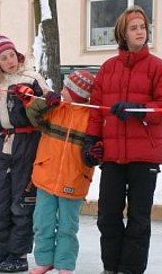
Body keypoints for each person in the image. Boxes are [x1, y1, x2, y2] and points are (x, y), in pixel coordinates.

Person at [82, 5, 162, 274]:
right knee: (108, 216)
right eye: (134, 28)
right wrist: (91, 140)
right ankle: (110, 267)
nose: (140, 32)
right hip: (113, 155)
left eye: (143, 27)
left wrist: (138, 110)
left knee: (138, 219)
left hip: (144, 155)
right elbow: (96, 109)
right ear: (122, 34)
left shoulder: (159, 68)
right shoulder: (108, 69)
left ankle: (131, 269)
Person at [0, 32, 50, 272]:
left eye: (11, 55)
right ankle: (4, 251)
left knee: (21, 202)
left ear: (18, 55)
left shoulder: (32, 78)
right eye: (3, 58)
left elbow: (51, 108)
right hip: (4, 145)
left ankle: (18, 255)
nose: (9, 61)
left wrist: (34, 101)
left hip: (28, 143)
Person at [24, 70, 101, 274]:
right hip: (45, 176)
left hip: (74, 180)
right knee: (42, 222)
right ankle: (44, 260)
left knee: (67, 227)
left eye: (67, 88)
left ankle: (65, 265)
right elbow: (32, 114)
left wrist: (96, 153)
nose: (62, 91)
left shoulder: (91, 118)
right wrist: (44, 102)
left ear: (77, 93)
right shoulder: (56, 108)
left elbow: (98, 148)